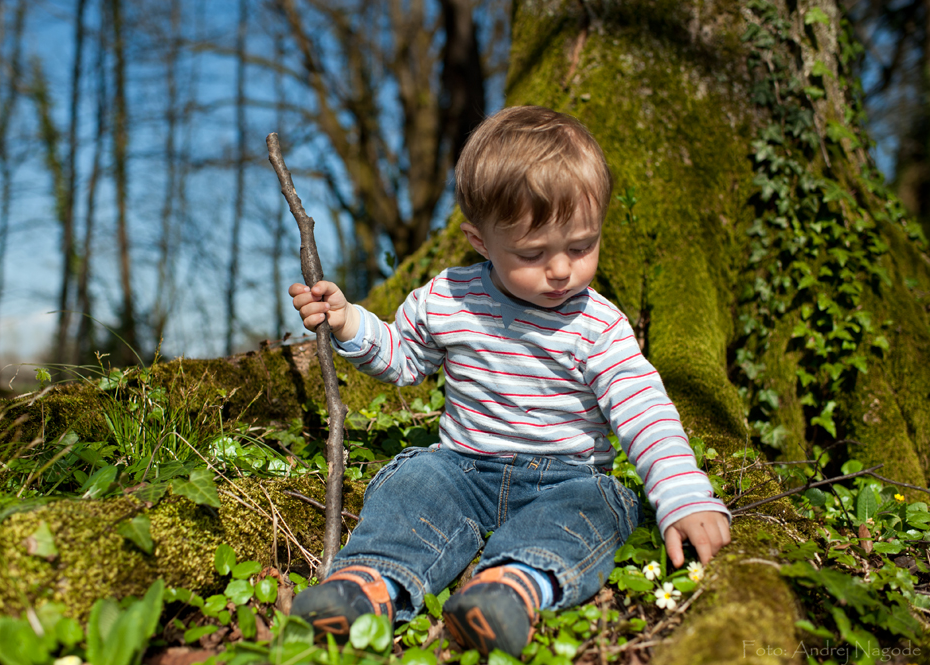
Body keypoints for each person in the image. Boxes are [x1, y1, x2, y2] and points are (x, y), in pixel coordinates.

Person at [287, 105, 731, 656]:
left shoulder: (598, 326)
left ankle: (510, 588)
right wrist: (349, 320)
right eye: (531, 252)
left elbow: (643, 410)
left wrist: (683, 495)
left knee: (597, 505)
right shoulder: (449, 298)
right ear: (479, 241)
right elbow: (402, 358)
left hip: (566, 478)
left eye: (581, 245)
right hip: (463, 468)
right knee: (416, 482)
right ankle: (367, 583)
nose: (561, 269)